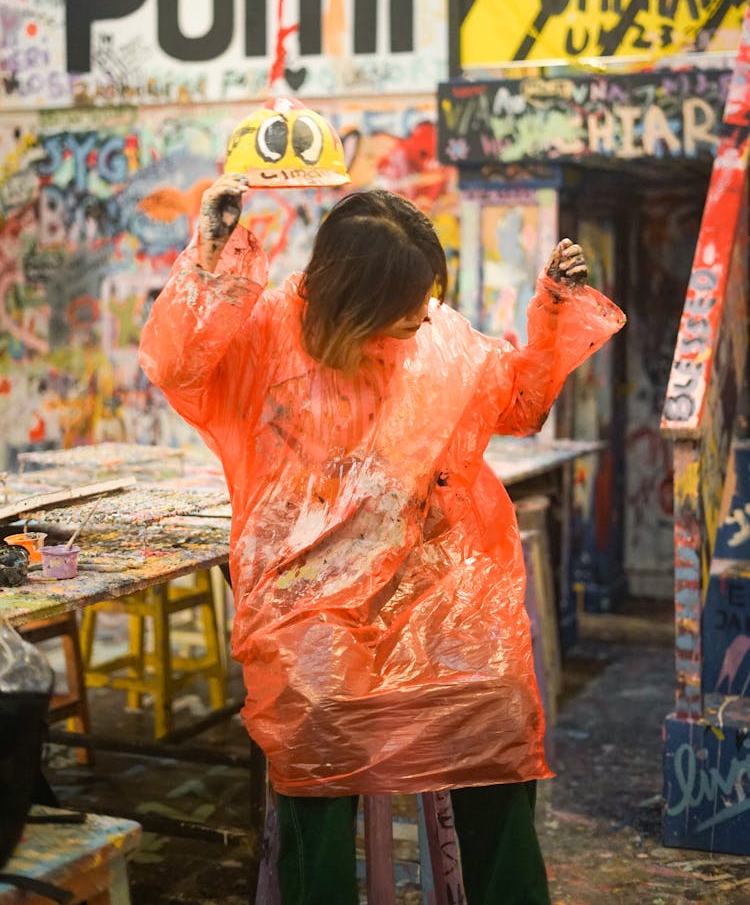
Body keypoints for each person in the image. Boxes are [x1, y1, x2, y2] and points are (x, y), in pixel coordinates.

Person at [139, 172, 625, 905]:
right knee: (316, 719)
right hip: (312, 604)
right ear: (353, 300)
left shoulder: (437, 335)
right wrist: (214, 257)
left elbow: (520, 401)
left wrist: (553, 313)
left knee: (492, 702)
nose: (422, 320)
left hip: (438, 588)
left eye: (426, 301)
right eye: (405, 308)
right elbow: (179, 362)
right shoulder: (268, 335)